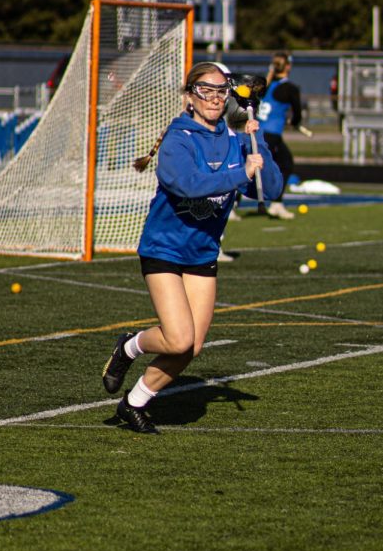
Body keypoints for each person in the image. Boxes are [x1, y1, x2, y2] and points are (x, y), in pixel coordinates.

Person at [101, 61, 282, 434]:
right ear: (190, 97)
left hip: (202, 253)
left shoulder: (234, 141)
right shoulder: (177, 140)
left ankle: (133, 403)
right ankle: (129, 347)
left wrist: (256, 137)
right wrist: (238, 173)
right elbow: (189, 184)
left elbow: (272, 190)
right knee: (178, 337)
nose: (214, 98)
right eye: (205, 91)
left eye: (221, 91)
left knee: (191, 347)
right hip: (164, 249)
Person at [258, 50, 303, 219]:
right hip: (271, 135)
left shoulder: (266, 84)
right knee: (284, 164)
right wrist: (295, 122)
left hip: (258, 132)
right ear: (288, 67)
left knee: (255, 167)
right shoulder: (290, 88)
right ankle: (276, 203)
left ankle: (275, 202)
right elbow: (297, 114)